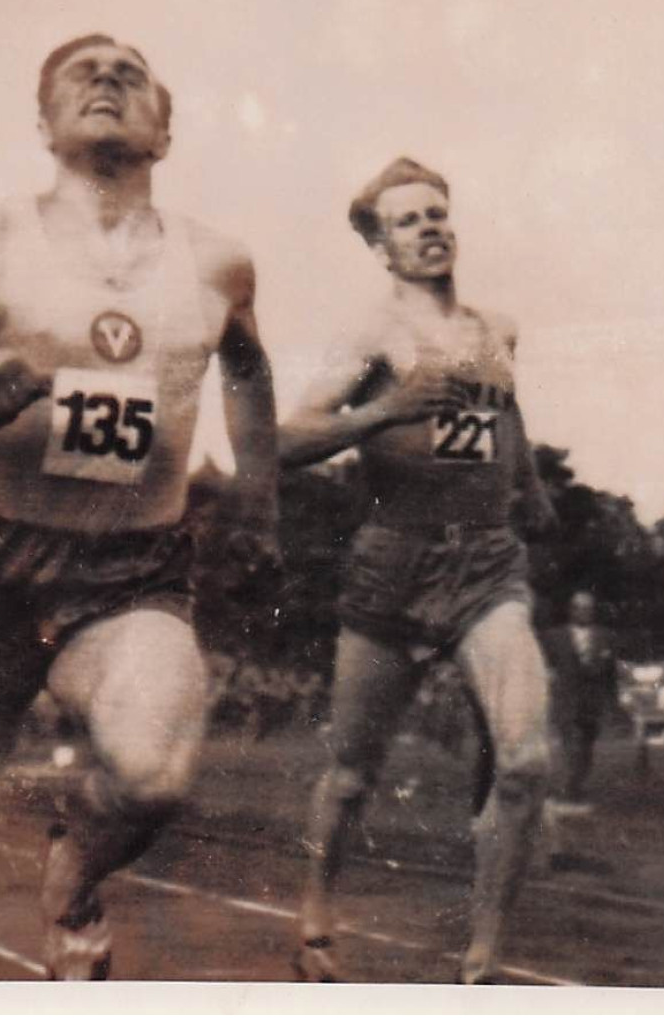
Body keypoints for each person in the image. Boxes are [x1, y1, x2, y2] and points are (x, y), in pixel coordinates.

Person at [0, 33, 279, 980]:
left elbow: (249, 366)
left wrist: (260, 491)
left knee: (154, 775)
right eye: (80, 72)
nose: (107, 77)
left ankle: (70, 877)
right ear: (42, 124)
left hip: (130, 571)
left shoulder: (219, 264)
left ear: (165, 129)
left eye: (130, 73)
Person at [282, 157, 559, 986]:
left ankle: (482, 955)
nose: (430, 227)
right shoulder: (370, 334)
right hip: (392, 561)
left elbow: (504, 414)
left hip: (485, 561)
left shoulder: (496, 328)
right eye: (407, 221)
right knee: (354, 768)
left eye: (437, 212)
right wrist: (385, 410)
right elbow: (289, 441)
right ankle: (314, 917)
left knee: (527, 760)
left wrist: (533, 490)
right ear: (381, 247)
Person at [541, 590, 620, 812]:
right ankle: (566, 792)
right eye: (579, 607)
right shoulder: (554, 637)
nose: (584, 612)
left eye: (588, 608)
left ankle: (576, 789)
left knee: (586, 747)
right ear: (571, 610)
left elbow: (611, 674)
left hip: (592, 702)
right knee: (570, 744)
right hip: (566, 700)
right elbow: (545, 668)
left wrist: (612, 704)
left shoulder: (605, 637)